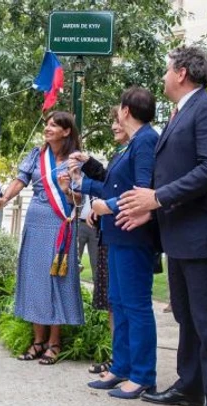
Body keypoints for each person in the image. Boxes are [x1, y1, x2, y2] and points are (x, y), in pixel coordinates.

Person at [116, 46, 207, 406]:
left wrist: (157, 197)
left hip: (205, 234)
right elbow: (171, 173)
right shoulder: (180, 114)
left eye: (167, 70)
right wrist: (149, 207)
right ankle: (190, 387)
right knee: (187, 317)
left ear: (183, 72)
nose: (164, 77)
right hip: (182, 234)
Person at [74, 87, 159, 399]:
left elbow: (143, 188)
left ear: (125, 110)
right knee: (119, 302)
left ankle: (143, 374)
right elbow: (116, 182)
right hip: (117, 233)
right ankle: (121, 366)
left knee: (136, 305)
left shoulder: (146, 140)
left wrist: (105, 206)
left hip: (133, 234)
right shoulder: (132, 143)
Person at [0, 111, 84, 364]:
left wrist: (68, 190)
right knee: (34, 279)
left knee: (56, 278)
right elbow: (20, 180)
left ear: (66, 131)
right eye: (47, 123)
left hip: (60, 223)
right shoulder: (36, 155)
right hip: (35, 222)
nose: (48, 127)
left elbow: (80, 199)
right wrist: (3, 198)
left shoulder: (75, 160)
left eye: (54, 125)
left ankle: (55, 342)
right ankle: (38, 341)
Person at [76, 105, 124, 375]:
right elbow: (108, 181)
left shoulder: (140, 148)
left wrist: (103, 205)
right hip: (109, 229)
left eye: (118, 121)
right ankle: (119, 359)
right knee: (112, 301)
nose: (114, 127)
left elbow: (119, 189)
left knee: (125, 303)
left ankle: (125, 363)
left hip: (125, 233)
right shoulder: (122, 152)